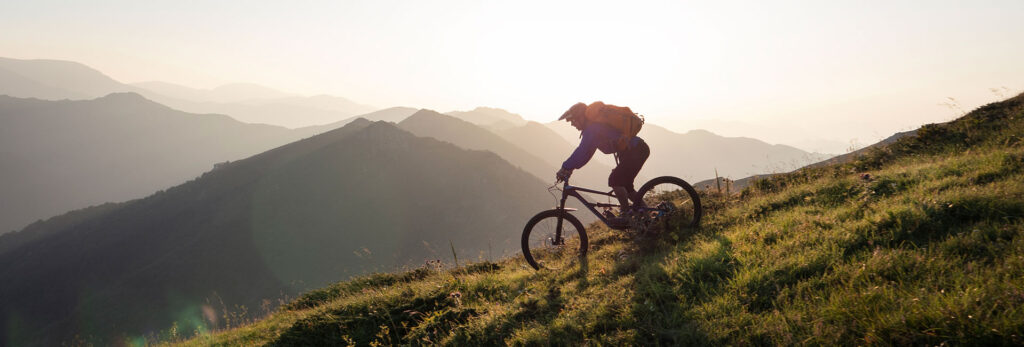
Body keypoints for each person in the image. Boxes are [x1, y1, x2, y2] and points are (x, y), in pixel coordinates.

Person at [556, 101, 650, 227]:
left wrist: (565, 167)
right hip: (636, 150)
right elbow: (586, 154)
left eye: (573, 120)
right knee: (626, 187)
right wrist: (570, 168)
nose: (572, 124)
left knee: (615, 180)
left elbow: (582, 150)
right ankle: (649, 218)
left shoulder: (592, 129)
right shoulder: (593, 129)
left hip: (635, 151)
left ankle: (625, 215)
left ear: (581, 117)